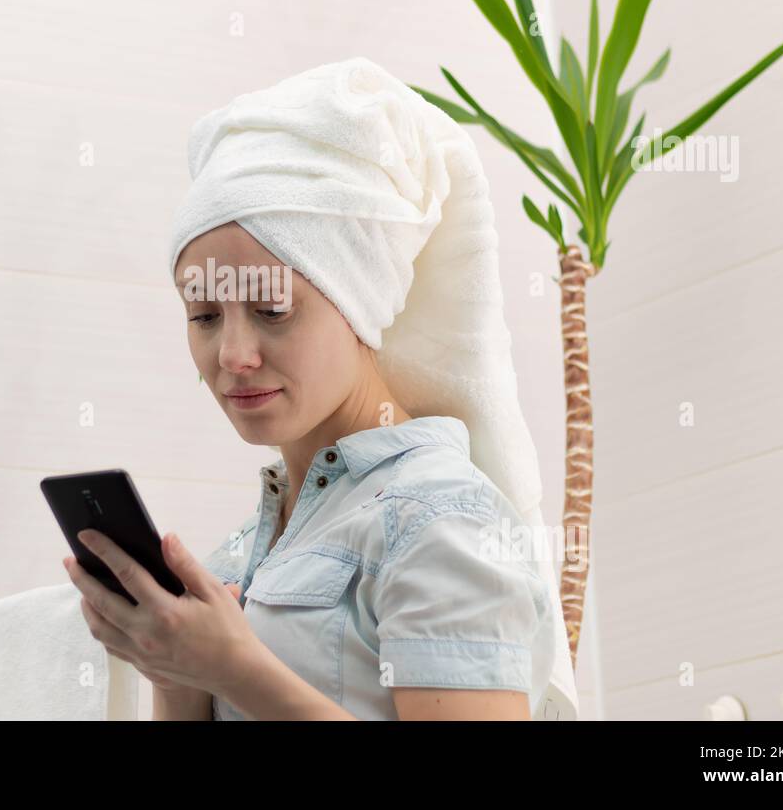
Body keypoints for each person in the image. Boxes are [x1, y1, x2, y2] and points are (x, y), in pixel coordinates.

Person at [62, 56, 576, 720]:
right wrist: (177, 676)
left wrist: (235, 670)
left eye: (273, 311)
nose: (234, 355)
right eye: (205, 316)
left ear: (358, 301)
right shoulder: (247, 551)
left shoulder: (442, 519)